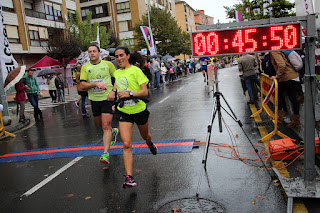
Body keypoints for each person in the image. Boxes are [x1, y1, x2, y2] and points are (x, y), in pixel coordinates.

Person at [114, 46, 157, 188]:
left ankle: (150, 143)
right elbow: (116, 89)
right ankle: (129, 177)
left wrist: (130, 95)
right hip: (124, 111)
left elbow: (144, 92)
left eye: (121, 55)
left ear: (127, 56)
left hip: (139, 110)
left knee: (145, 136)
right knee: (126, 144)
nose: (119, 58)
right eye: (117, 56)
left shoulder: (136, 71)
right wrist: (113, 97)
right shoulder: (117, 73)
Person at [80, 44, 118, 164]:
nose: (92, 53)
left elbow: (119, 78)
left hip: (107, 98)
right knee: (100, 125)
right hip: (94, 99)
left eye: (94, 51)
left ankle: (105, 154)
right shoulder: (85, 68)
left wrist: (113, 91)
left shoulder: (108, 65)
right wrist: (95, 84)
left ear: (99, 53)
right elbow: (82, 85)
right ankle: (113, 132)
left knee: (106, 125)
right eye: (90, 51)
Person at [270, 51, 301, 127]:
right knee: (292, 98)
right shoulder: (279, 51)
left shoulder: (274, 52)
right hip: (292, 76)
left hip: (286, 77)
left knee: (278, 96)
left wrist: (277, 76)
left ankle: (280, 117)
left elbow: (282, 65)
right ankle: (296, 120)